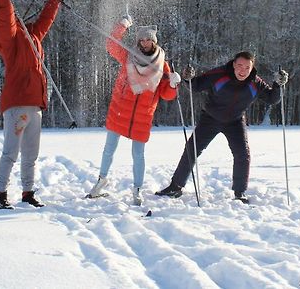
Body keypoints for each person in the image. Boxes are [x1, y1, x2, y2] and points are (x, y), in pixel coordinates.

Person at [0, 0, 74, 209]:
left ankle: (27, 193)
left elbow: (46, 19)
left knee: (31, 154)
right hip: (17, 105)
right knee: (11, 152)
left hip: (35, 106)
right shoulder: (11, 39)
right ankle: (0, 194)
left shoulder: (34, 35)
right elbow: (6, 15)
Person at [156, 51, 288, 204]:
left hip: (235, 121)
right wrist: (187, 77)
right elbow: (196, 85)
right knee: (191, 149)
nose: (242, 71)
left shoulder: (255, 82)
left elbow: (272, 99)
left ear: (252, 68)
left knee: (242, 155)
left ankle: (240, 192)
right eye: (239, 66)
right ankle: (176, 186)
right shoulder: (220, 74)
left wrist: (278, 84)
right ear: (233, 64)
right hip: (210, 118)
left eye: (247, 67)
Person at [87, 16, 181, 205]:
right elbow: (111, 44)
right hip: (119, 110)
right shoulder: (128, 55)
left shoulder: (162, 64)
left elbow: (166, 95)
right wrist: (122, 26)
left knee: (138, 155)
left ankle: (137, 189)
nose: (145, 42)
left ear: (155, 41)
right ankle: (101, 181)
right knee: (109, 149)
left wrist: (172, 84)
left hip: (142, 116)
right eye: (142, 39)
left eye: (149, 39)